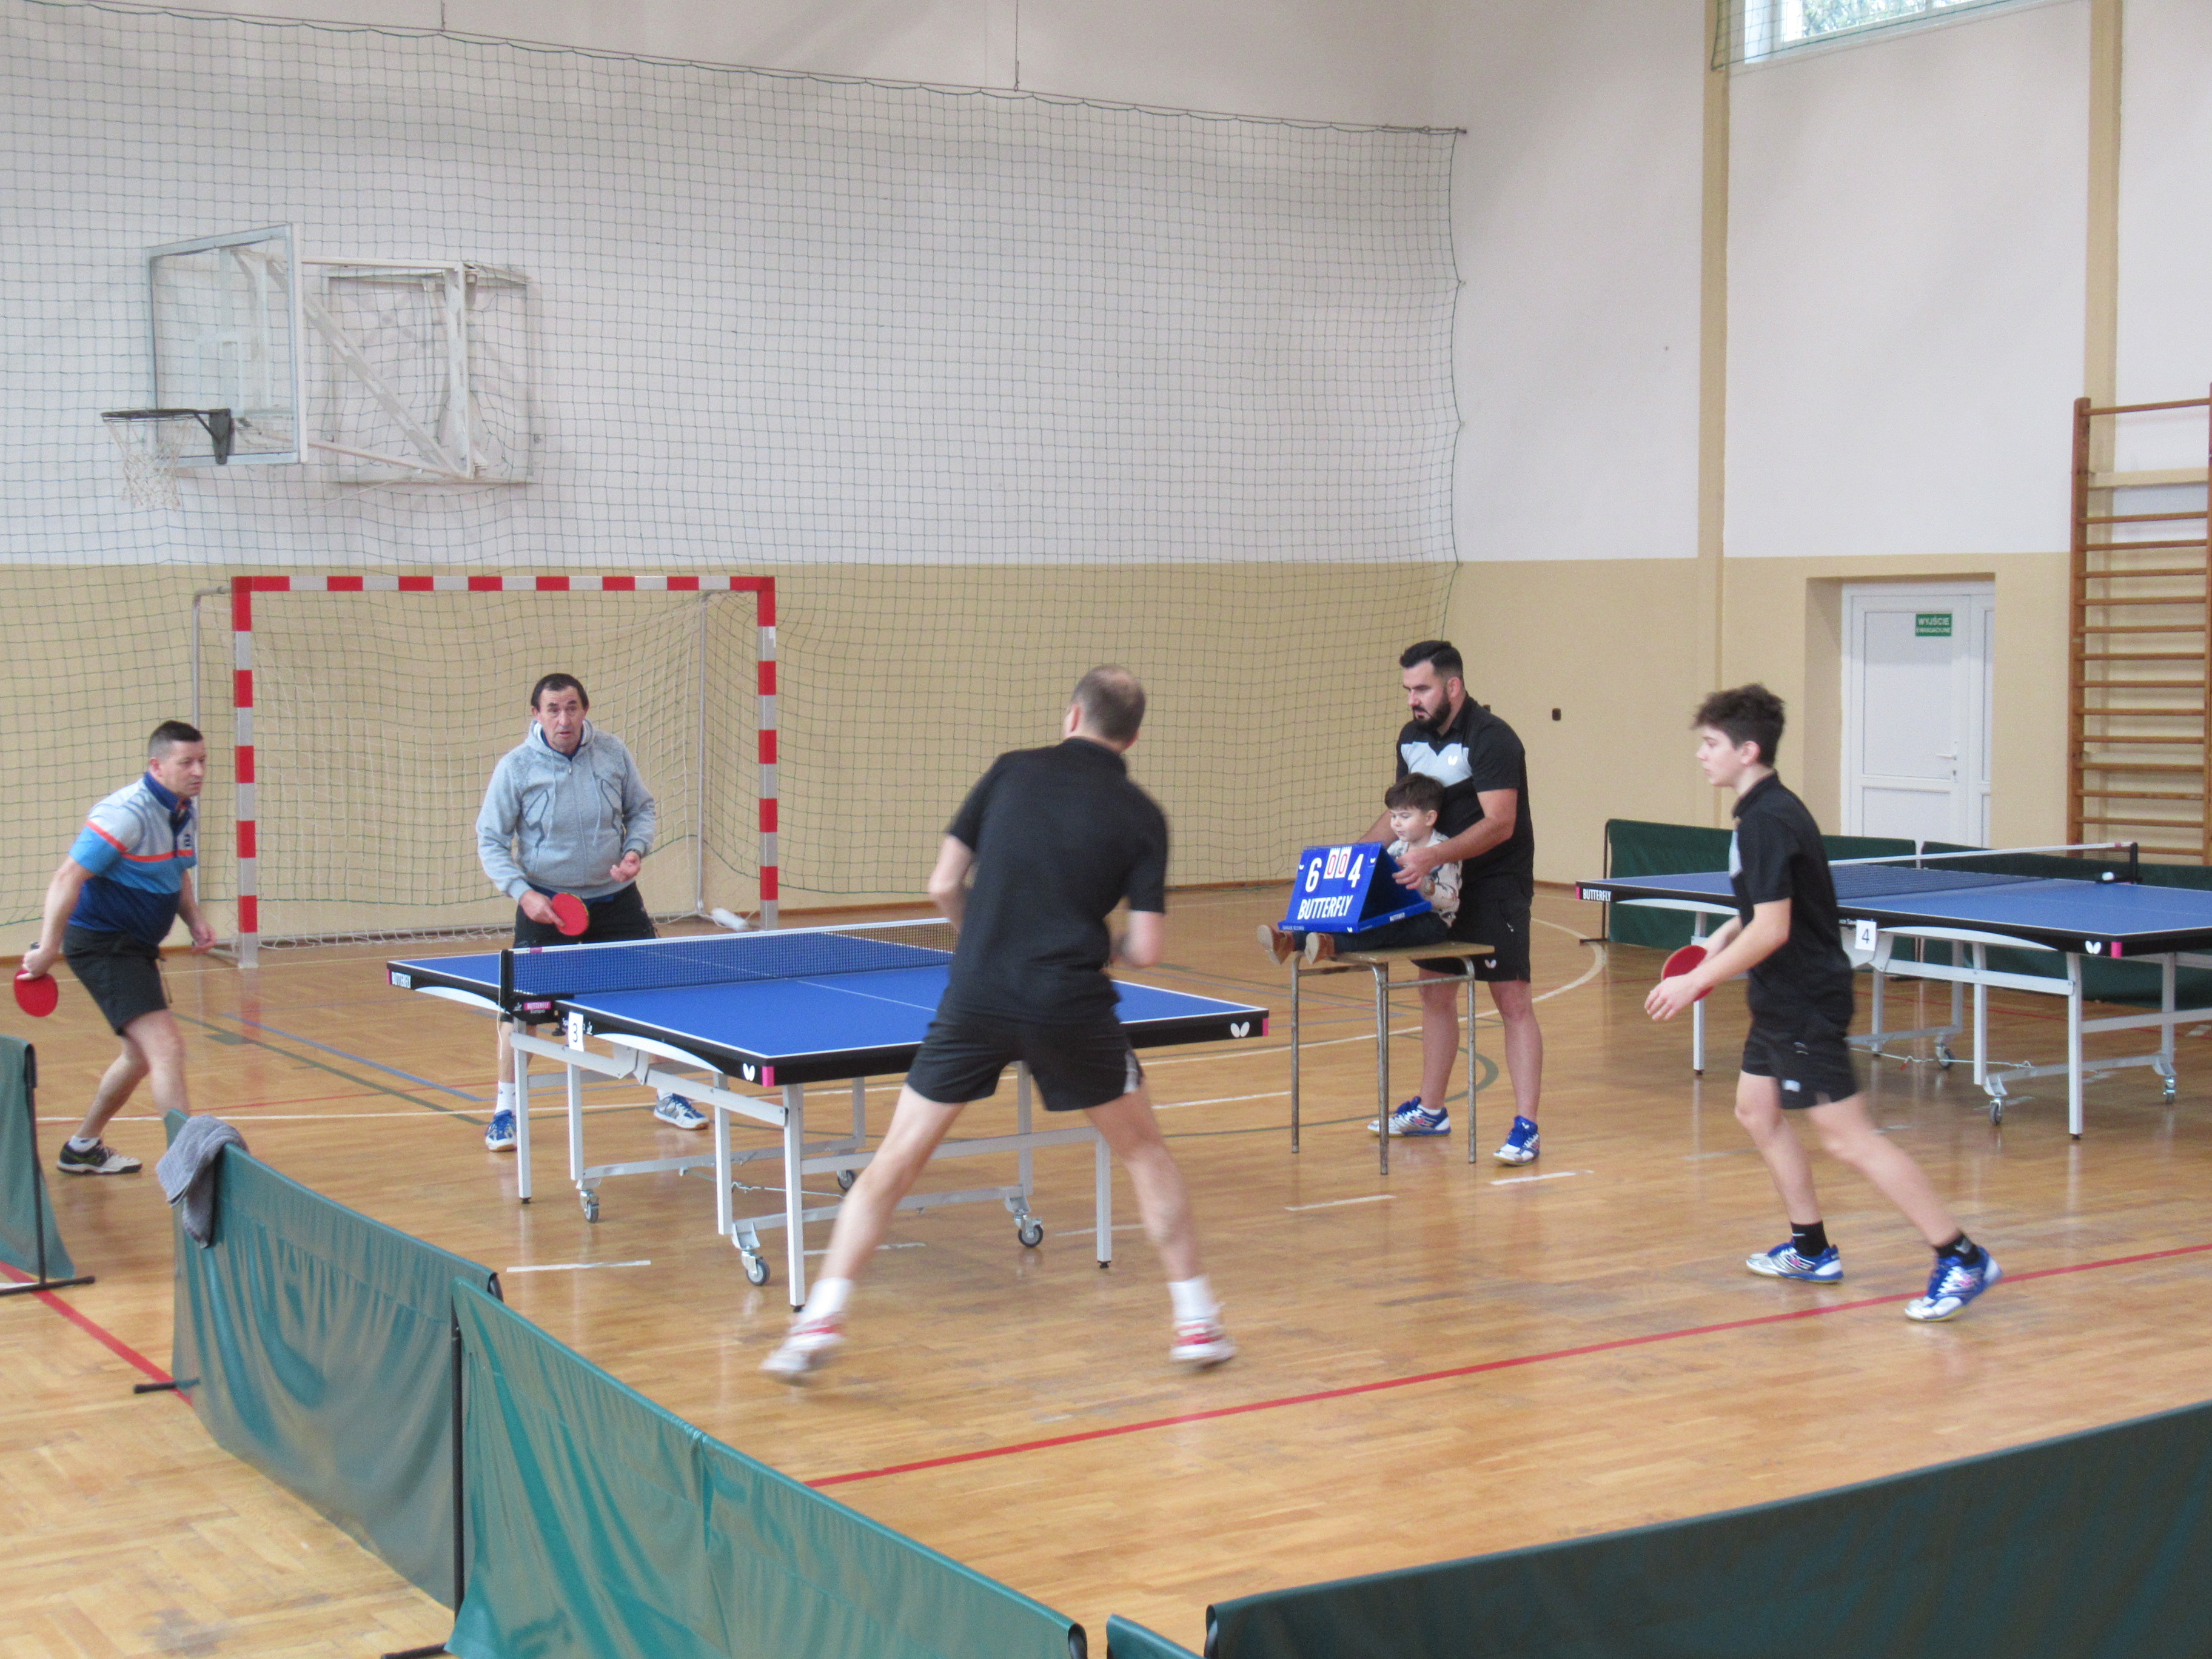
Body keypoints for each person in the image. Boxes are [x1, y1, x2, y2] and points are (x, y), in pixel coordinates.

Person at [763, 666, 1233, 1379]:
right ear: (1133, 736)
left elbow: (942, 885)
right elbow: (1147, 948)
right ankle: (1196, 1323)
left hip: (976, 996)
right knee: (1144, 1155)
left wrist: (983, 936)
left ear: (1071, 716)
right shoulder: (1143, 815)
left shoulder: (1011, 771)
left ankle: (820, 1318)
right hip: (1069, 1003)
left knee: (894, 1161)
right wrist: (1096, 944)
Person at [1646, 684, 2000, 1322]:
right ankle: (1810, 1249)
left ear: (1747, 751)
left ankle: (1962, 1256)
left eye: (1711, 744)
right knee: (1756, 1111)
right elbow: (1761, 908)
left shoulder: (1767, 820)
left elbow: (1772, 929)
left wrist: (1695, 983)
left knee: (1850, 1140)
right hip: (1780, 996)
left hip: (1805, 999)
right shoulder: (1764, 810)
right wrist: (1717, 939)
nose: (1701, 754)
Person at [474, 673, 698, 1150]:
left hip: (615, 900)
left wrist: (635, 850)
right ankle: (505, 1108)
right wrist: (522, 893)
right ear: (536, 715)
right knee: (522, 1010)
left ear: (584, 710)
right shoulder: (516, 768)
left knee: (648, 998)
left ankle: (668, 1093)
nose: (564, 718)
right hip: (547, 905)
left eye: (572, 707)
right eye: (553, 709)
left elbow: (642, 809)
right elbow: (491, 840)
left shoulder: (612, 753)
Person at [1361, 640, 1544, 1164]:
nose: (1412, 700)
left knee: (1512, 1002)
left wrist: (1433, 856)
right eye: (1408, 690)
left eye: (1422, 689)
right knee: (1435, 993)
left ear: (1453, 686)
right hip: (1437, 884)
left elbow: (1500, 822)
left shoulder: (1492, 738)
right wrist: (1353, 860)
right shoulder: (1411, 738)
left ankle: (1527, 1126)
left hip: (1494, 884)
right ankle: (1431, 1110)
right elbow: (1402, 813)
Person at [19, 721, 216, 1174]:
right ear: (157, 766)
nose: (199, 771)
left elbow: (177, 871)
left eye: (203, 761)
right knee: (167, 1048)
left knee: (139, 1056)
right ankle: (187, 1168)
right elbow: (67, 878)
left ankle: (82, 1148)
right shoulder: (126, 813)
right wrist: (48, 948)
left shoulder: (183, 810)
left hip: (137, 946)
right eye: (187, 762)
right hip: (104, 943)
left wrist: (195, 919)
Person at [1259, 774, 1459, 964]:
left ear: (1429, 818)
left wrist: (1425, 886)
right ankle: (1289, 940)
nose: (1396, 824)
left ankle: (1331, 945)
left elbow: (1450, 900)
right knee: (1351, 916)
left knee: (1383, 929)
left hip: (1432, 923)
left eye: (1405, 816)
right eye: (1393, 816)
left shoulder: (1442, 850)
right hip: (1400, 913)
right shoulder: (1397, 848)